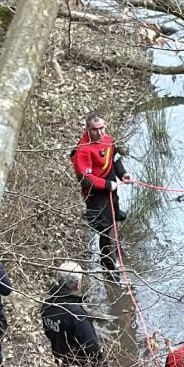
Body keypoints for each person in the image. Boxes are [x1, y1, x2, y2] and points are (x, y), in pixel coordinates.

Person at [70, 114, 133, 272]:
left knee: (115, 217)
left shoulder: (108, 140)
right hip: (95, 194)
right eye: (95, 129)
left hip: (111, 187)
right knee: (105, 228)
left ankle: (115, 248)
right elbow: (86, 178)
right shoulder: (83, 150)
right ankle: (108, 266)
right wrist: (106, 185)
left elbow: (115, 159)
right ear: (87, 129)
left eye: (101, 128)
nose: (99, 133)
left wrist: (123, 174)